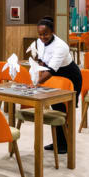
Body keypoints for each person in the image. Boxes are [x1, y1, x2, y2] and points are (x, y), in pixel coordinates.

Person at [29, 17, 80, 154]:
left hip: (69, 77)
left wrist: (37, 83)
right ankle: (58, 142)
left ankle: (66, 144)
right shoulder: (39, 42)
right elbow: (41, 62)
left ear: (52, 32)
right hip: (54, 76)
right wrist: (37, 77)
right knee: (56, 108)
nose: (42, 37)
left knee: (66, 111)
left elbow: (51, 70)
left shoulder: (61, 46)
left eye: (45, 34)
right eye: (40, 34)